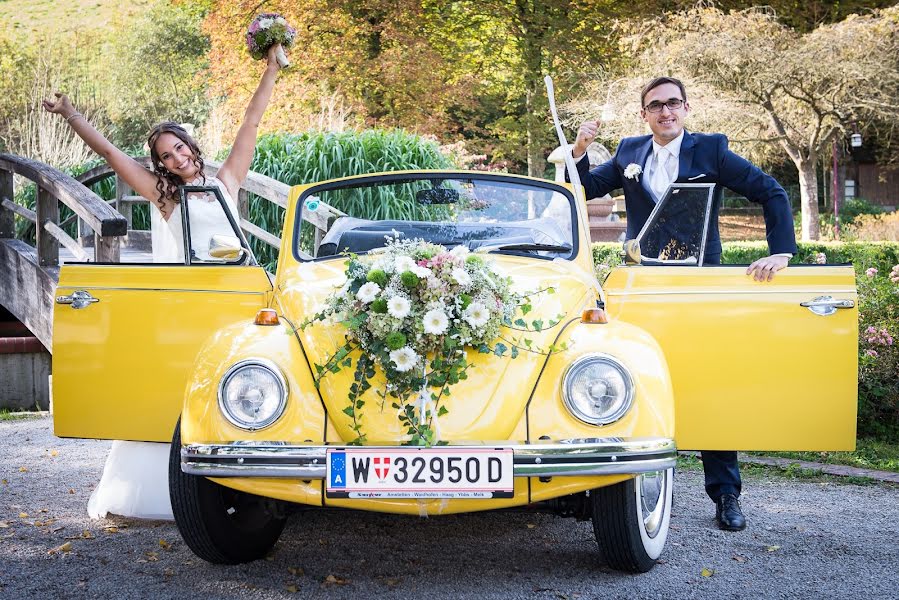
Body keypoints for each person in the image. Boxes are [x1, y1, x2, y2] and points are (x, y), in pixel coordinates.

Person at [42, 43, 287, 519]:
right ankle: (175, 488)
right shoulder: (165, 198)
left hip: (237, 294)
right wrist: (72, 115)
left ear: (191, 148)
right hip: (195, 300)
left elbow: (251, 124)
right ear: (161, 165)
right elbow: (113, 155)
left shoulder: (226, 183)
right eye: (166, 156)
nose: (176, 159)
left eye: (179, 148)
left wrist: (271, 69)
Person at [568, 76, 798, 531]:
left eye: (673, 103)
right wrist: (578, 152)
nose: (665, 112)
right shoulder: (630, 152)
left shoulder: (710, 150)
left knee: (712, 381)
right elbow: (585, 189)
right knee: (633, 380)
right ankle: (630, 492)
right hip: (644, 287)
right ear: (644, 114)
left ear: (686, 108)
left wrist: (781, 251)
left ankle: (726, 494)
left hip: (698, 287)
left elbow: (770, 190)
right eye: (655, 106)